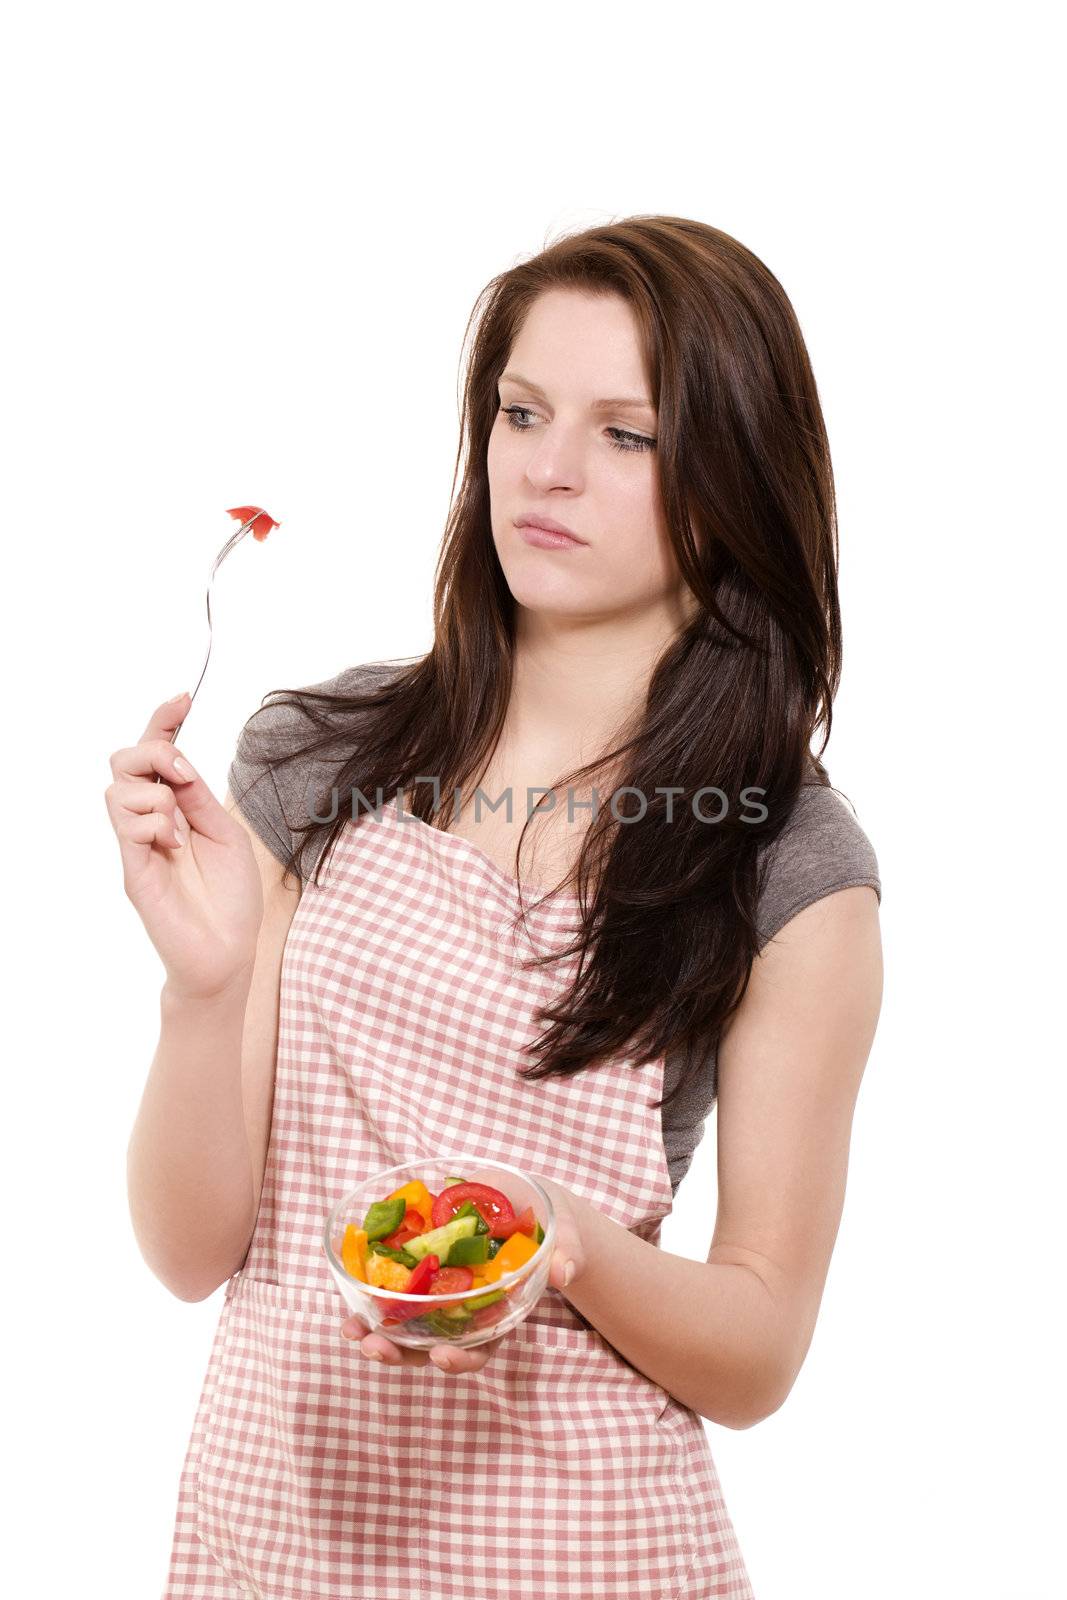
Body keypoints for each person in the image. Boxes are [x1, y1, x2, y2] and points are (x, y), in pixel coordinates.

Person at [110, 215, 883, 1600]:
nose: (548, 467)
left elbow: (762, 1345)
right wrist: (202, 991)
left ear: (736, 477)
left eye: (626, 436)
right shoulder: (317, 761)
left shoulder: (787, 859)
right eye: (520, 412)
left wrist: (562, 1237)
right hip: (270, 1542)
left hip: (590, 1555)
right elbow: (191, 1251)